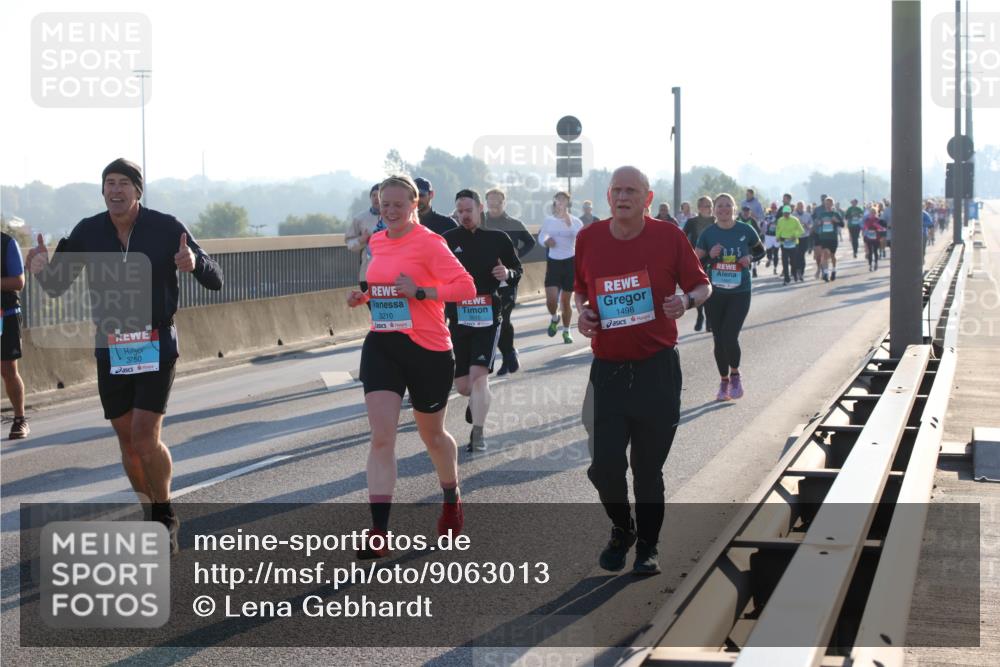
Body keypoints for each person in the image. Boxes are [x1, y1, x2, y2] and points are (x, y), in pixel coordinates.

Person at [26, 158, 224, 553]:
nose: (115, 191)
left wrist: (194, 262)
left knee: (145, 436)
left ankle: (165, 512)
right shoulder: (87, 231)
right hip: (111, 345)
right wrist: (41, 269)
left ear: (138, 190)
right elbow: (55, 287)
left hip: (156, 341)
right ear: (102, 191)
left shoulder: (167, 227)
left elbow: (215, 277)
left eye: (123, 184)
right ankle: (150, 511)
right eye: (108, 184)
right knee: (127, 442)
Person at [575, 166, 711, 575]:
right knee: (604, 466)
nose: (622, 196)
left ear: (647, 199)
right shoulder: (589, 238)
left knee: (648, 469)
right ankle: (622, 528)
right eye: (616, 190)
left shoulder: (669, 237)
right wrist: (583, 313)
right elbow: (582, 290)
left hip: (656, 369)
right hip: (609, 370)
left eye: (631, 190)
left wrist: (686, 302)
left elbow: (703, 286)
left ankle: (648, 546)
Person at [347, 174, 475, 558]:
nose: (390, 211)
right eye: (384, 204)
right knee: (381, 436)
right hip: (383, 343)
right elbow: (381, 284)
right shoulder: (378, 239)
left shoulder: (430, 243)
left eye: (398, 205)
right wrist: (364, 295)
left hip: (428, 349)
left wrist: (421, 292)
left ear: (414, 205)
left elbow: (466, 287)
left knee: (432, 437)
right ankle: (379, 531)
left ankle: (451, 496)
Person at [443, 189, 521, 451]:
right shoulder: (447, 240)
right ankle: (475, 403)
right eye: (460, 211)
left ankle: (478, 434)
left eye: (469, 210)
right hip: (458, 317)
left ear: (480, 210)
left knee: (479, 376)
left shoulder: (498, 239)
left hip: (488, 314)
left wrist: (506, 273)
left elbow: (517, 270)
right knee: (464, 386)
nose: (464, 216)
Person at [695, 193, 765, 402]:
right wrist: (710, 255)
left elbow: (761, 252)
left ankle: (735, 375)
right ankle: (724, 380)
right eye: (720, 206)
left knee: (729, 335)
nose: (723, 209)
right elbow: (695, 260)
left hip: (740, 292)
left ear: (734, 208)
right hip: (715, 293)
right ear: (714, 209)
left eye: (728, 206)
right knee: (718, 339)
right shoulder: (708, 234)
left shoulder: (745, 230)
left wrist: (750, 257)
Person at [483, 188, 536, 376]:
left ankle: (507, 357)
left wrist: (517, 255)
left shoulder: (513, 223)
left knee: (503, 318)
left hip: (509, 278)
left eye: (498, 201)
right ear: (486, 202)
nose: (494, 205)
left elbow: (530, 242)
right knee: (493, 321)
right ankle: (509, 353)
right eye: (490, 201)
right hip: (485, 279)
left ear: (504, 202)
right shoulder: (481, 222)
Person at [538, 191, 583, 344]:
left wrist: (569, 223)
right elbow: (541, 236)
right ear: (555, 202)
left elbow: (580, 238)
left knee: (565, 302)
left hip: (570, 262)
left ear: (568, 203)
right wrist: (546, 241)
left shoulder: (576, 221)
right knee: (551, 300)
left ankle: (566, 330)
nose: (561, 202)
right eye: (558, 199)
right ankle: (554, 317)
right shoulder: (549, 220)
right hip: (554, 262)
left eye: (564, 200)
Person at [1, 231, 29, 439]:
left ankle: (20, 419)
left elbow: (19, 282)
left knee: (8, 369)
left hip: (5, 314)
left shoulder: (7, 243)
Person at [682, 196, 716, 332]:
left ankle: (709, 320)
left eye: (708, 205)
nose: (706, 208)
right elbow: (682, 238)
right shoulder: (692, 222)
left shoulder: (716, 221)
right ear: (699, 208)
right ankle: (700, 315)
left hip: (714, 259)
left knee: (711, 291)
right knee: (699, 288)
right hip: (697, 259)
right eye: (703, 206)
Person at [345, 184, 384, 293]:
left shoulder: (395, 217)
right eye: (374, 195)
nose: (377, 198)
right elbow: (349, 244)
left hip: (390, 275)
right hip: (367, 275)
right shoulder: (359, 219)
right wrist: (362, 240)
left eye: (380, 195)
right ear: (370, 198)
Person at [814, 196, 845, 281]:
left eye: (829, 203)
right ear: (824, 204)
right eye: (826, 203)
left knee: (832, 255)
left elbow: (842, 224)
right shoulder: (822, 214)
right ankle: (826, 273)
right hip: (824, 237)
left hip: (833, 238)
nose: (828, 205)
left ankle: (834, 270)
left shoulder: (835, 214)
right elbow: (817, 222)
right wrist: (819, 222)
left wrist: (836, 221)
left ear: (832, 204)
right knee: (825, 254)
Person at [775, 205, 805, 284]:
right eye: (784, 213)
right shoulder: (780, 220)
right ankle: (786, 278)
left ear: (790, 213)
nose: (786, 215)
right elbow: (778, 230)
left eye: (787, 213)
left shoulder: (795, 220)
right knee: (784, 261)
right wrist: (777, 237)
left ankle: (794, 274)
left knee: (793, 261)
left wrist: (795, 236)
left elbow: (801, 231)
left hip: (793, 243)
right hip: (784, 243)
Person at [862, 207, 885, 271]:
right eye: (871, 213)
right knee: (870, 252)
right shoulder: (867, 220)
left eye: (874, 213)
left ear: (876, 213)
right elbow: (864, 228)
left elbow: (882, 228)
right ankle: (870, 265)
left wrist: (877, 226)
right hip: (869, 237)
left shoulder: (878, 220)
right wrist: (865, 230)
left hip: (876, 237)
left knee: (875, 251)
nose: (872, 214)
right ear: (869, 213)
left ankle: (876, 263)